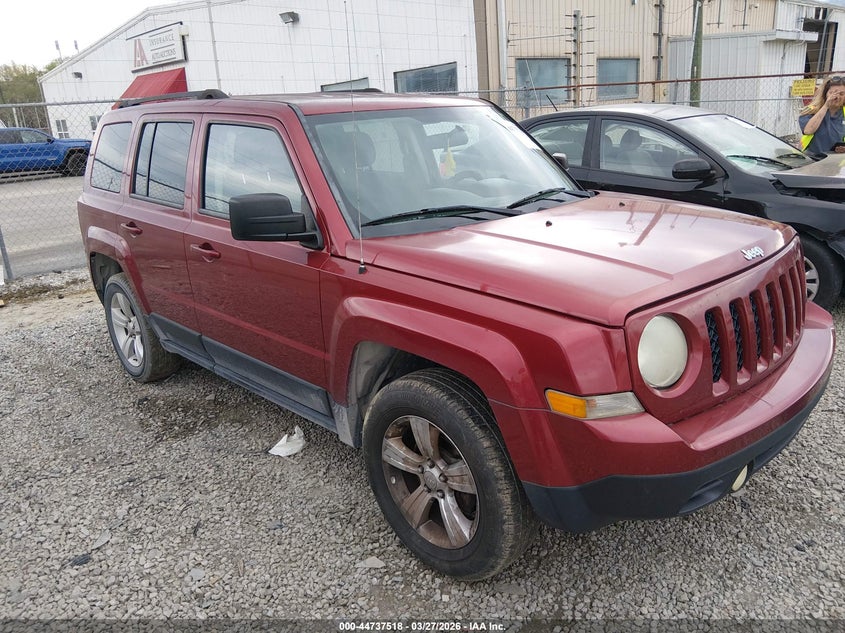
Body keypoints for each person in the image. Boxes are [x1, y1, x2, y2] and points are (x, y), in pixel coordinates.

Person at [798, 76, 845, 155]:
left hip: (834, 158)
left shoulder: (843, 113)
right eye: (832, 93)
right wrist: (826, 106)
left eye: (841, 94)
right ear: (825, 94)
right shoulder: (811, 110)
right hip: (811, 157)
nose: (837, 97)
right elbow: (808, 131)